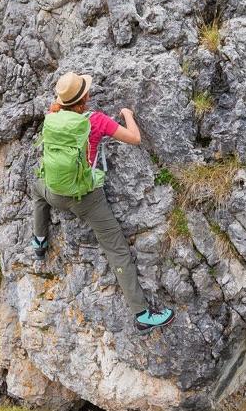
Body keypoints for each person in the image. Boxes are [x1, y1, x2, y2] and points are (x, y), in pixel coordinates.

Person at [31, 71, 175, 332]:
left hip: (55, 193)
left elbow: (57, 110)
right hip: (87, 199)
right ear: (84, 97)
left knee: (36, 188)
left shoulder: (52, 116)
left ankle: (39, 240)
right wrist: (127, 114)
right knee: (116, 249)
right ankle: (142, 315)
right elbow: (135, 138)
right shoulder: (95, 120)